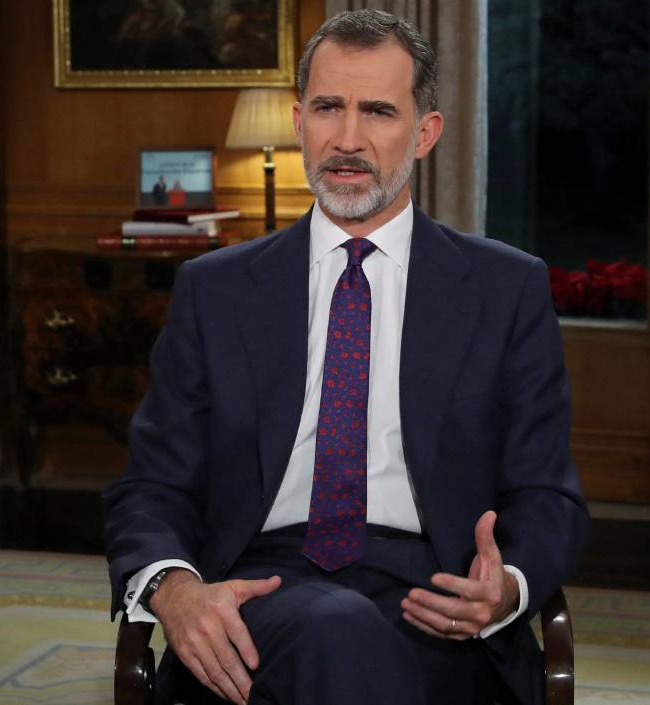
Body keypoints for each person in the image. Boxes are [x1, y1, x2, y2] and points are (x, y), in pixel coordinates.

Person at [104, 9, 588, 705]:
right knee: (335, 630)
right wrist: (175, 590)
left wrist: (504, 586)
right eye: (329, 107)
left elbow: (549, 495)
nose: (349, 139)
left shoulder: (504, 288)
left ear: (425, 133)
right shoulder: (214, 290)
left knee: (353, 643)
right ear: (300, 121)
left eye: (380, 112)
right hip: (263, 592)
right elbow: (150, 485)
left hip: (437, 596)